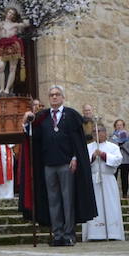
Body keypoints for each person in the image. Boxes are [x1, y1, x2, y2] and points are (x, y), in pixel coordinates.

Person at [22, 85, 95, 246]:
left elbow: (78, 141)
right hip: (49, 165)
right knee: (53, 200)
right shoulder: (43, 117)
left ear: (62, 97)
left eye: (57, 95)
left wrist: (75, 157)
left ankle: (69, 234)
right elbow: (35, 137)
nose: (54, 97)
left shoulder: (71, 115)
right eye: (51, 95)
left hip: (67, 164)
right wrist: (26, 123)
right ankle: (57, 234)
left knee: (67, 200)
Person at [83, 125, 124, 241]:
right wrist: (93, 157)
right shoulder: (88, 147)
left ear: (105, 133)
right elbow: (83, 163)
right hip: (93, 179)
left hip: (108, 179)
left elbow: (118, 160)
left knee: (110, 205)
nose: (95, 134)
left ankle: (112, 233)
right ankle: (94, 234)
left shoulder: (113, 147)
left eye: (98, 131)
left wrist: (104, 155)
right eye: (93, 132)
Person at [0, 7, 30, 95]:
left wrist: (23, 14)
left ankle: (7, 89)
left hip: (13, 45)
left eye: (12, 14)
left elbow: (26, 24)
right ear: (6, 13)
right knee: (0, 67)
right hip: (2, 45)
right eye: (9, 12)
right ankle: (1, 88)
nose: (10, 15)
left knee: (12, 68)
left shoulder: (15, 25)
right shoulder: (0, 24)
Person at [110, 118, 129, 198]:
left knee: (124, 177)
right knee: (114, 177)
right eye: (117, 125)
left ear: (123, 126)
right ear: (115, 127)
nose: (119, 127)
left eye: (121, 125)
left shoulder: (128, 135)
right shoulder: (112, 136)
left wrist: (122, 144)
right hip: (115, 159)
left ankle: (125, 194)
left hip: (125, 159)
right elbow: (111, 146)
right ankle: (114, 195)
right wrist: (118, 144)